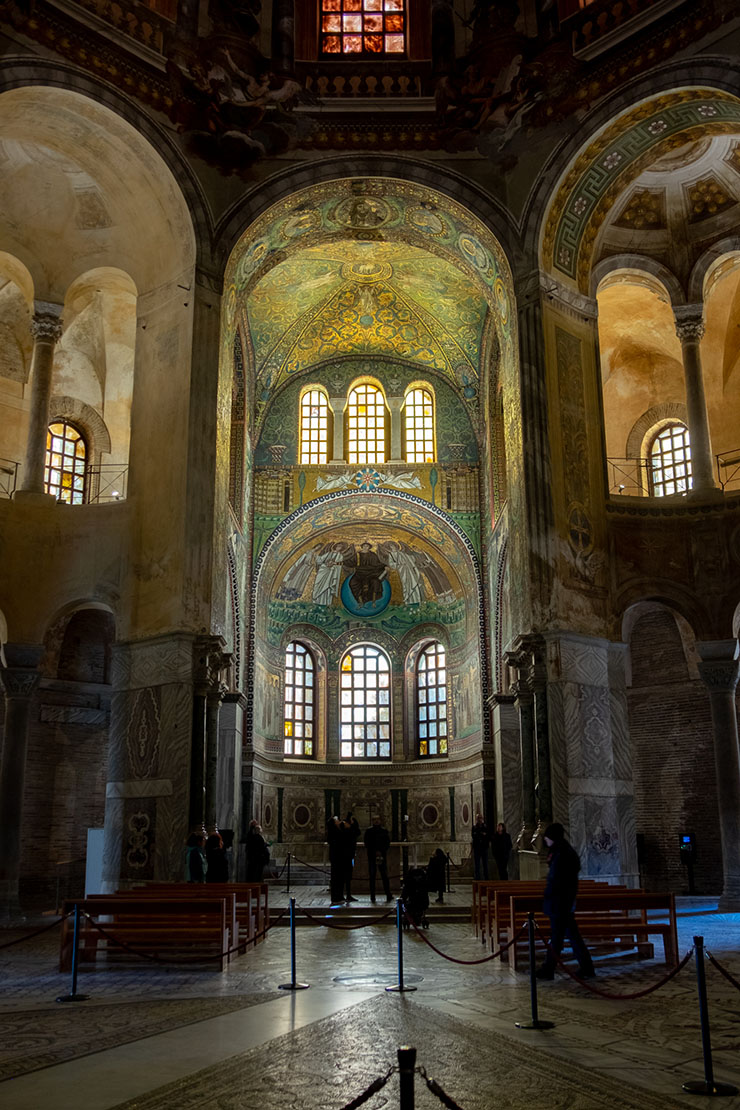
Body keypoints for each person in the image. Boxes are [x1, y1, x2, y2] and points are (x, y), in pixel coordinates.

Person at [536, 822, 595, 980]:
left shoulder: (561, 853)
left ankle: (549, 969)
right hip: (563, 902)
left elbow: (556, 880)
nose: (546, 840)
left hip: (560, 902)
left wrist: (549, 896)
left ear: (552, 837)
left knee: (558, 937)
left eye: (547, 837)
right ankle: (586, 967)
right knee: (569, 936)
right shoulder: (563, 851)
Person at [364, 815, 392, 902]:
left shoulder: (384, 831)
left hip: (382, 856)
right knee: (372, 876)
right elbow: (367, 843)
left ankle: (388, 894)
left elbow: (387, 843)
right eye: (374, 820)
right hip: (372, 856)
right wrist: (375, 851)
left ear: (380, 821)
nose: (376, 821)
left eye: (378, 819)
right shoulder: (369, 831)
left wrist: (381, 851)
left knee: (384, 876)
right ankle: (372, 896)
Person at [339, 813, 361, 903]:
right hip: (345, 857)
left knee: (348, 877)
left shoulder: (349, 831)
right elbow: (356, 831)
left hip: (349, 856)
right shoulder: (344, 832)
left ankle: (347, 894)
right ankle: (343, 895)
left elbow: (357, 832)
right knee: (344, 877)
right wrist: (353, 822)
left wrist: (353, 822)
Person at [327, 816, 344, 905]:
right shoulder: (334, 832)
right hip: (336, 857)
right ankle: (336, 897)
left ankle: (339, 896)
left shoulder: (338, 830)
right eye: (337, 820)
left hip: (338, 857)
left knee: (339, 878)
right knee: (336, 878)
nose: (339, 821)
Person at [472, 813, 490, 880]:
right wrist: (481, 834)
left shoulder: (485, 827)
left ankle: (486, 879)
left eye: (480, 818)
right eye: (478, 818)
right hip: (477, 848)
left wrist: (480, 834)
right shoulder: (474, 827)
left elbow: (487, 836)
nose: (479, 819)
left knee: (485, 865)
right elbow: (474, 836)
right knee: (477, 865)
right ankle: (477, 879)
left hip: (484, 848)